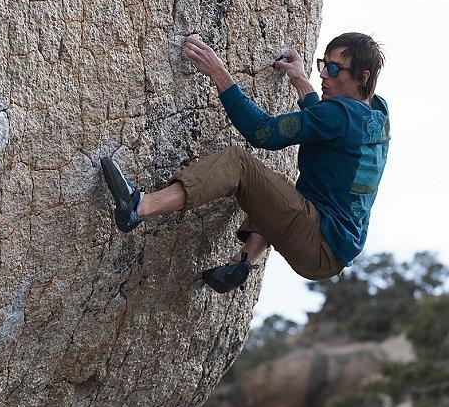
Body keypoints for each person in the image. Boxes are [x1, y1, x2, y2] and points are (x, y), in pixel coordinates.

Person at [100, 32, 390, 293]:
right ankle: (240, 264)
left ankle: (139, 207)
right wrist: (301, 81)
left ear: (362, 77)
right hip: (333, 251)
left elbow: (264, 133)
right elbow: (330, 124)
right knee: (276, 187)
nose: (324, 74)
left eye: (335, 69)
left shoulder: (339, 115)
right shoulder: (376, 113)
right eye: (323, 64)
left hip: (318, 241)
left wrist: (218, 72)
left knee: (239, 164)